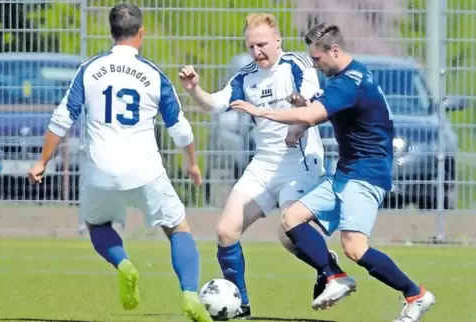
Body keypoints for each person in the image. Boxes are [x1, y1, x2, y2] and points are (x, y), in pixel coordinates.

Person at [230, 22, 436, 322]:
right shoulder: (348, 76)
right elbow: (322, 110)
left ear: (334, 50)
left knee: (354, 247)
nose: (315, 65)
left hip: (366, 175)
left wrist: (261, 111)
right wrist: (302, 116)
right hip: (347, 171)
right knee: (291, 218)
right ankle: (335, 276)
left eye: (317, 59)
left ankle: (415, 294)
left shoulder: (348, 82)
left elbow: (315, 113)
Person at [27, 4, 213, 322]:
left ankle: (124, 264)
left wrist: (42, 161)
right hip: (145, 170)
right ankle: (190, 294)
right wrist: (192, 164)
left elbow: (61, 120)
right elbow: (181, 129)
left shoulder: (90, 69)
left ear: (111, 33)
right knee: (177, 227)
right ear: (141, 33)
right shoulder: (154, 75)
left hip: (100, 170)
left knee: (97, 225)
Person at [178, 13, 338, 319]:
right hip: (263, 164)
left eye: (262, 44)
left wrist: (300, 123)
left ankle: (329, 268)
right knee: (226, 231)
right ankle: (241, 307)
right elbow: (215, 104)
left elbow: (310, 101)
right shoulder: (245, 77)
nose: (257, 52)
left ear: (278, 41)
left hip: (299, 162)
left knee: (290, 232)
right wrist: (194, 89)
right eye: (251, 46)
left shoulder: (297, 65)